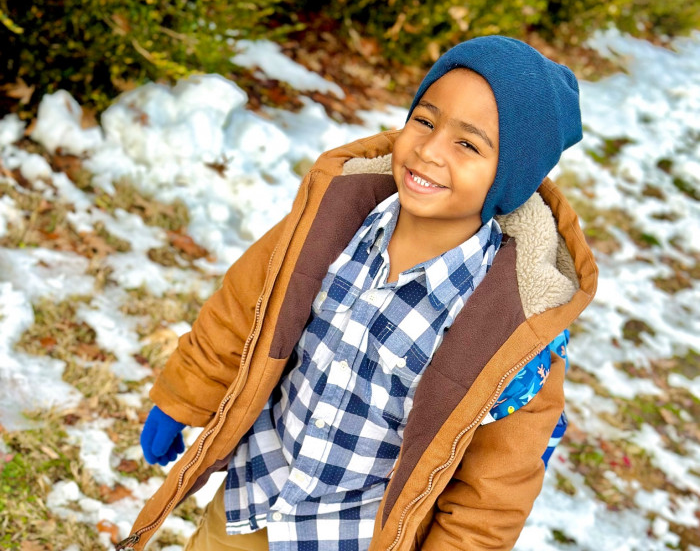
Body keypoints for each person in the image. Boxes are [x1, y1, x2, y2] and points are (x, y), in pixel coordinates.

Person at [117, 35, 597, 551]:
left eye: (468, 144)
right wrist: (184, 396)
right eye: (425, 121)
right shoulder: (328, 224)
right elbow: (241, 312)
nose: (429, 150)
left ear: (512, 178)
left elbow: (495, 487)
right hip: (252, 496)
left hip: (357, 536)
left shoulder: (514, 325)